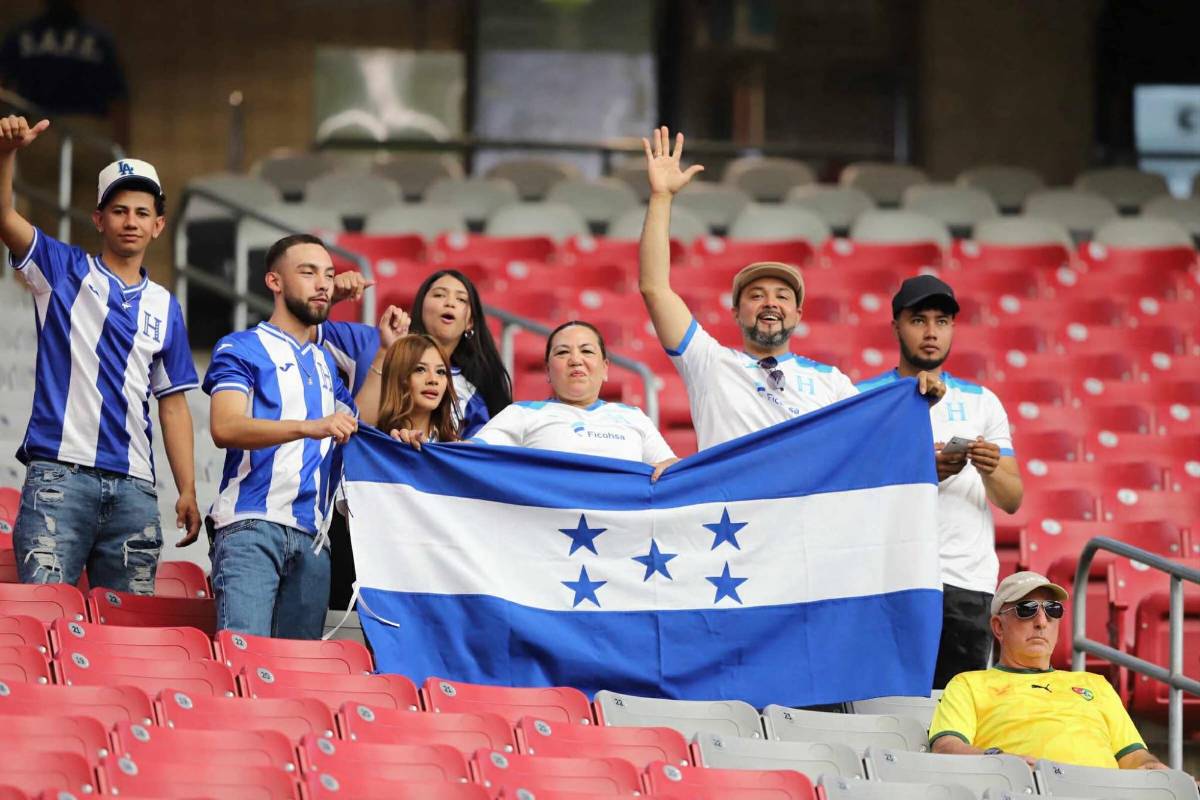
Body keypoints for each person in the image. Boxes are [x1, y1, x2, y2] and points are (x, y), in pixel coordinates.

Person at [637, 126, 944, 450]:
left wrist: (915, 401)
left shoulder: (832, 383)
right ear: (736, 313)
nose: (770, 303)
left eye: (782, 296)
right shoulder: (709, 363)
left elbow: (875, 441)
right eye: (756, 296)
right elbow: (655, 287)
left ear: (797, 315)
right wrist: (661, 197)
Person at [0, 114, 200, 593]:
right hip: (59, 476)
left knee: (127, 632)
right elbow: (4, 218)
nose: (131, 221)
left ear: (158, 226)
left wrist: (188, 487)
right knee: (47, 614)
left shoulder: (166, 306)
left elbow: (172, 404)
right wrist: (6, 153)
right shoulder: (61, 268)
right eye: (119, 210)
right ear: (98, 219)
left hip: (134, 488)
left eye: (141, 212)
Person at [857, 275, 1023, 688]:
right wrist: (919, 473)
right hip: (888, 576)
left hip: (967, 581)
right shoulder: (862, 396)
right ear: (896, 325)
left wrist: (989, 466)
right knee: (885, 708)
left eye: (942, 321)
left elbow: (1012, 498)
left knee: (954, 717)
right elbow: (847, 489)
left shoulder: (983, 402)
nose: (931, 332)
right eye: (919, 320)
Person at [203, 233, 360, 639]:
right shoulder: (242, 346)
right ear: (274, 282)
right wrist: (310, 427)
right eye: (308, 273)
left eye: (328, 275)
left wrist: (384, 355)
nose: (323, 284)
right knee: (243, 663)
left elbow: (360, 421)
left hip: (314, 540)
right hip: (251, 526)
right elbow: (226, 427)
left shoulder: (326, 362)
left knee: (294, 680)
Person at [930, 571, 1168, 771]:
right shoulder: (969, 684)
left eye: (1052, 609)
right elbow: (946, 747)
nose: (1041, 621)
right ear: (998, 627)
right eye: (1026, 609)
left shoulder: (1096, 683)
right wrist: (998, 761)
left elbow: (1134, 756)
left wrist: (1152, 766)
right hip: (1023, 788)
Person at [471, 321, 677, 478]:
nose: (576, 360)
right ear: (548, 371)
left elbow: (672, 469)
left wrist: (676, 468)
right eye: (562, 352)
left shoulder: (634, 417)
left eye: (586, 351)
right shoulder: (520, 414)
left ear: (605, 368)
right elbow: (468, 456)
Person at [320, 268, 509, 438]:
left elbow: (473, 460)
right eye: (439, 295)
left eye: (461, 299)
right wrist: (331, 297)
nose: (450, 303)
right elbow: (303, 332)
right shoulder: (371, 341)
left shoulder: (472, 395)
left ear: (470, 322)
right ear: (420, 307)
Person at [0, 1, 131, 240]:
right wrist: (122, 151)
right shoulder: (98, 38)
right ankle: (85, 275)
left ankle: (49, 272)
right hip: (90, 135)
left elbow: (3, 88)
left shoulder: (23, 36)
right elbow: (118, 101)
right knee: (93, 216)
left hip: (41, 131)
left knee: (46, 211)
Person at [376, 333, 460, 444]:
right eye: (420, 369)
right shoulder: (373, 443)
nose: (433, 380)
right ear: (398, 376)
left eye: (440, 371)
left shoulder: (456, 449)